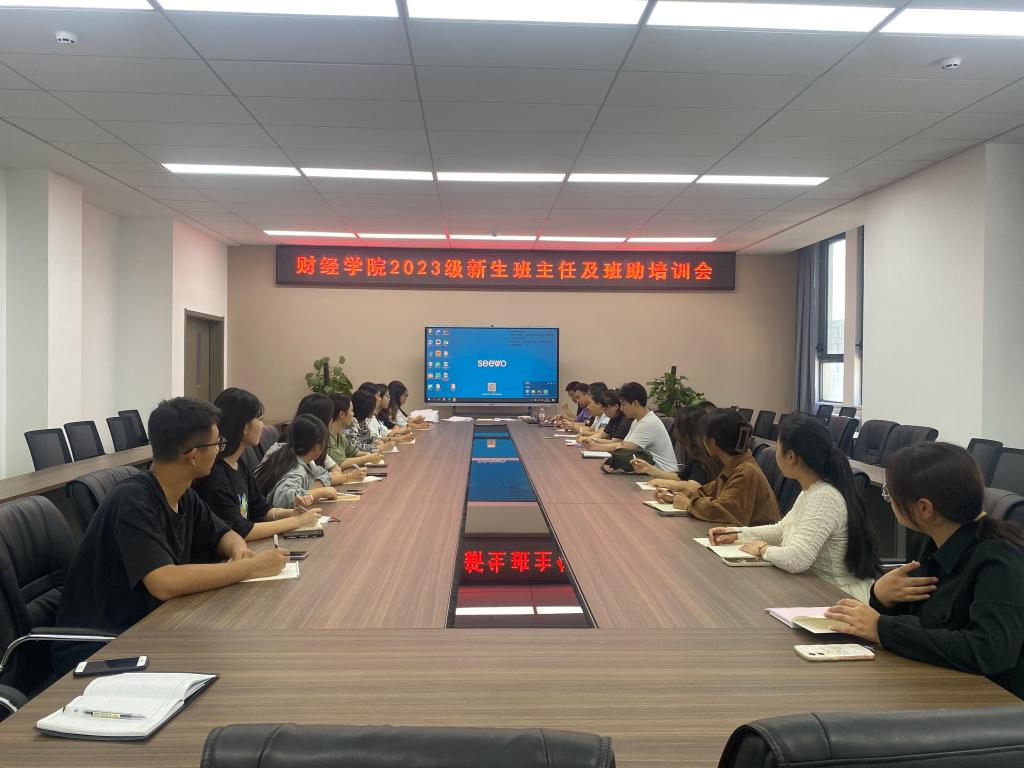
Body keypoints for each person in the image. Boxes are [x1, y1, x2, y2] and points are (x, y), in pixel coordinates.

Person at [53, 397, 289, 673]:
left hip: (150, 626)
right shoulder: (133, 501)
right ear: (193, 455)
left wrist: (239, 551)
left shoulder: (183, 494)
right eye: (217, 444)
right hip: (102, 647)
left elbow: (225, 534)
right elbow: (164, 582)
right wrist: (250, 567)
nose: (219, 450)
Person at [824, 442, 1024, 699]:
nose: (889, 500)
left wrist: (883, 629)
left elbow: (989, 652)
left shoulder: (999, 561)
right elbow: (921, 625)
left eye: (890, 493)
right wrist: (882, 597)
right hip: (929, 683)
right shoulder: (928, 540)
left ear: (924, 508)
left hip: (988, 703)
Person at [708, 414, 881, 600]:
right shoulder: (812, 490)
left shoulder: (824, 497)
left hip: (836, 598)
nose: (775, 452)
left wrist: (763, 549)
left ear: (791, 457)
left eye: (778, 447)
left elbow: (797, 558)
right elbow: (781, 530)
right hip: (813, 589)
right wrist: (737, 533)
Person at [194, 388, 322, 541]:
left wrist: (292, 513)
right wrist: (296, 521)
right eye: (260, 419)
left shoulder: (238, 464)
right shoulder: (215, 473)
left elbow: (261, 509)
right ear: (244, 426)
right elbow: (240, 531)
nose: (263, 425)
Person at [657, 408, 779, 525]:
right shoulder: (733, 464)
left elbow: (723, 510)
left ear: (713, 442)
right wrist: (675, 496)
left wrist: (689, 504)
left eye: (705, 436)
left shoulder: (745, 471)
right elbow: (708, 491)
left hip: (759, 537)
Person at [254, 414, 340, 508]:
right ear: (317, 447)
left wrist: (313, 487)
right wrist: (321, 492)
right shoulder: (297, 468)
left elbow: (324, 473)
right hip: (265, 514)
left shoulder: (280, 449)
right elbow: (283, 499)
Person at [284, 393, 366, 485]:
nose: (332, 421)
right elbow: (309, 484)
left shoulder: (316, 441)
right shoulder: (296, 446)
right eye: (331, 417)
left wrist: (334, 475)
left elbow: (334, 467)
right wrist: (346, 477)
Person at [631, 405, 721, 489]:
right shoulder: (695, 451)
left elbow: (694, 486)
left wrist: (665, 483)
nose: (675, 432)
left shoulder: (703, 454)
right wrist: (648, 468)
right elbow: (680, 477)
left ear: (685, 431)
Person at [606, 381, 677, 472]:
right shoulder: (638, 420)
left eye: (623, 404)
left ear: (635, 403)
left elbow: (622, 450)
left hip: (664, 474)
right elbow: (623, 444)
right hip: (650, 471)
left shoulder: (647, 423)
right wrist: (595, 446)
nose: (621, 409)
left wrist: (599, 447)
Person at [327, 393, 383, 469]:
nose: (353, 414)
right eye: (351, 410)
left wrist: (367, 455)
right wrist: (366, 458)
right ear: (342, 414)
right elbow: (341, 463)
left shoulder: (339, 433)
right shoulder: (328, 436)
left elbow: (354, 451)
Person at [346, 388, 385, 453]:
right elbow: (357, 447)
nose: (374, 410)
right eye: (372, 407)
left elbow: (370, 438)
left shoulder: (362, 422)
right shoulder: (351, 423)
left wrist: (377, 441)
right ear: (366, 409)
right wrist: (378, 448)